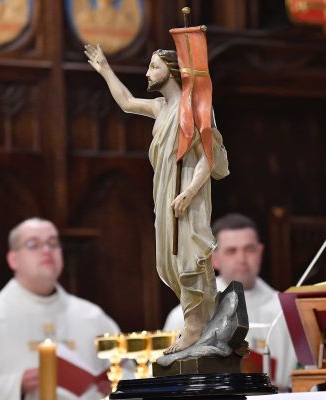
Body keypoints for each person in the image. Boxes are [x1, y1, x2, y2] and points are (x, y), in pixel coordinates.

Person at [85, 45, 229, 354]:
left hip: (187, 190)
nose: (148, 73)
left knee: (192, 254)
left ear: (172, 71)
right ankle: (205, 323)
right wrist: (105, 69)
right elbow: (125, 103)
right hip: (164, 191)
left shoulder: (195, 107)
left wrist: (189, 192)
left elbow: (208, 157)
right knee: (170, 260)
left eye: (154, 67)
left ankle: (195, 328)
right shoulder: (160, 107)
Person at [0, 218, 119, 399]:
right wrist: (17, 384)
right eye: (33, 244)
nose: (46, 250)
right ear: (13, 259)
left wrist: (112, 383)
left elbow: (126, 371)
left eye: (53, 243)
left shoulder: (91, 316)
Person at [164, 213, 297, 390]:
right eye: (231, 251)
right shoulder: (189, 312)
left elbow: (306, 376)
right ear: (214, 259)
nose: (241, 259)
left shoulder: (286, 309)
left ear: (260, 252)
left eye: (249, 249)